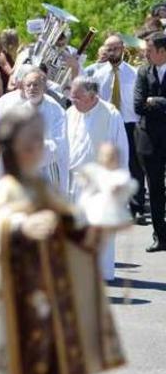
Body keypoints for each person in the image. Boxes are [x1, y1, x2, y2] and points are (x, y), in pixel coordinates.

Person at [0, 108, 125, 374]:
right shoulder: (9, 187)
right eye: (29, 141)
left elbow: (71, 221)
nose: (37, 147)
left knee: (58, 348)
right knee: (27, 351)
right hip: (22, 292)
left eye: (39, 139)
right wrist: (23, 225)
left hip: (53, 290)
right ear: (13, 147)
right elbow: (4, 219)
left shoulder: (43, 185)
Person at [67, 76, 128, 280]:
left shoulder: (111, 114)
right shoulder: (70, 112)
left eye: (76, 96)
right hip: (73, 181)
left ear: (92, 96)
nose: (71, 99)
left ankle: (101, 272)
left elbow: (120, 151)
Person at [88, 34, 145, 223]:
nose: (111, 52)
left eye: (114, 48)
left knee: (134, 165)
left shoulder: (133, 72)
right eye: (108, 48)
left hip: (129, 123)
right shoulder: (97, 73)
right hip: (107, 123)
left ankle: (137, 208)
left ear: (122, 48)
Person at [0, 68, 69, 195]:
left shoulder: (56, 110)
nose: (32, 88)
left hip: (48, 169)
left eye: (36, 84)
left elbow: (59, 145)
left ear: (44, 86)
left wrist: (31, 149)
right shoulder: (18, 109)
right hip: (22, 170)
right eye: (28, 85)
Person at [133, 32, 166, 252]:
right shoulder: (144, 71)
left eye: (149, 50)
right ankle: (160, 236)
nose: (145, 53)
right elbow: (138, 105)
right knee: (154, 189)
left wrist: (156, 101)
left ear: (162, 52)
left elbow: (148, 104)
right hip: (150, 141)